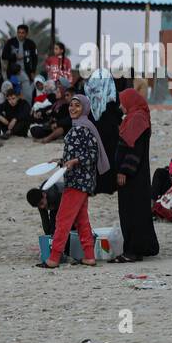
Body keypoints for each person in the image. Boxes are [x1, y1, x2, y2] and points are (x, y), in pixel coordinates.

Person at [39, 94, 109, 269]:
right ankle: (89, 256)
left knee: (62, 219)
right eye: (71, 105)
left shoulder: (85, 128)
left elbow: (91, 155)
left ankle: (53, 258)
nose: (72, 108)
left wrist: (74, 162)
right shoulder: (77, 127)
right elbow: (73, 155)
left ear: (84, 108)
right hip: (76, 180)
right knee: (81, 220)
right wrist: (59, 161)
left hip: (78, 182)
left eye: (77, 106)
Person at [110, 88, 160, 262]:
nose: (121, 105)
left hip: (133, 178)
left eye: (123, 101)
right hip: (135, 177)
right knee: (134, 212)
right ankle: (141, 248)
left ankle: (132, 251)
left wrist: (124, 170)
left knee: (132, 212)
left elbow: (135, 150)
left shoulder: (137, 119)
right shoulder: (133, 117)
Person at [2, 25, 39, 90]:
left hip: (26, 73)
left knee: (27, 92)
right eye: (19, 32)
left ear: (26, 34)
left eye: (22, 33)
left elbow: (35, 58)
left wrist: (33, 71)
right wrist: (15, 57)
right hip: (13, 73)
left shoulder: (31, 44)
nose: (20, 35)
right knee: (14, 91)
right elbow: (4, 56)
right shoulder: (11, 42)